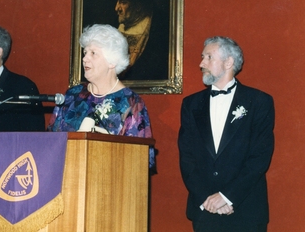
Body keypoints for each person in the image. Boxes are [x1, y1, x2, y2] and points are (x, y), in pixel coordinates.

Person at [178, 36, 275, 231]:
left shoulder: (258, 102)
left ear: (228, 62)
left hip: (244, 210)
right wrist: (208, 199)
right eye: (202, 57)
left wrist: (226, 197)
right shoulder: (191, 104)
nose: (201, 63)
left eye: (208, 57)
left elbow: (259, 158)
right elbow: (186, 157)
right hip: (205, 212)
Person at [47, 24, 156, 171]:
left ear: (112, 61)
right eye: (85, 52)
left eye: (93, 53)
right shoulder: (72, 96)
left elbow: (142, 160)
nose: (85, 59)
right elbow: (49, 142)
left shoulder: (132, 103)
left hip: (110, 184)